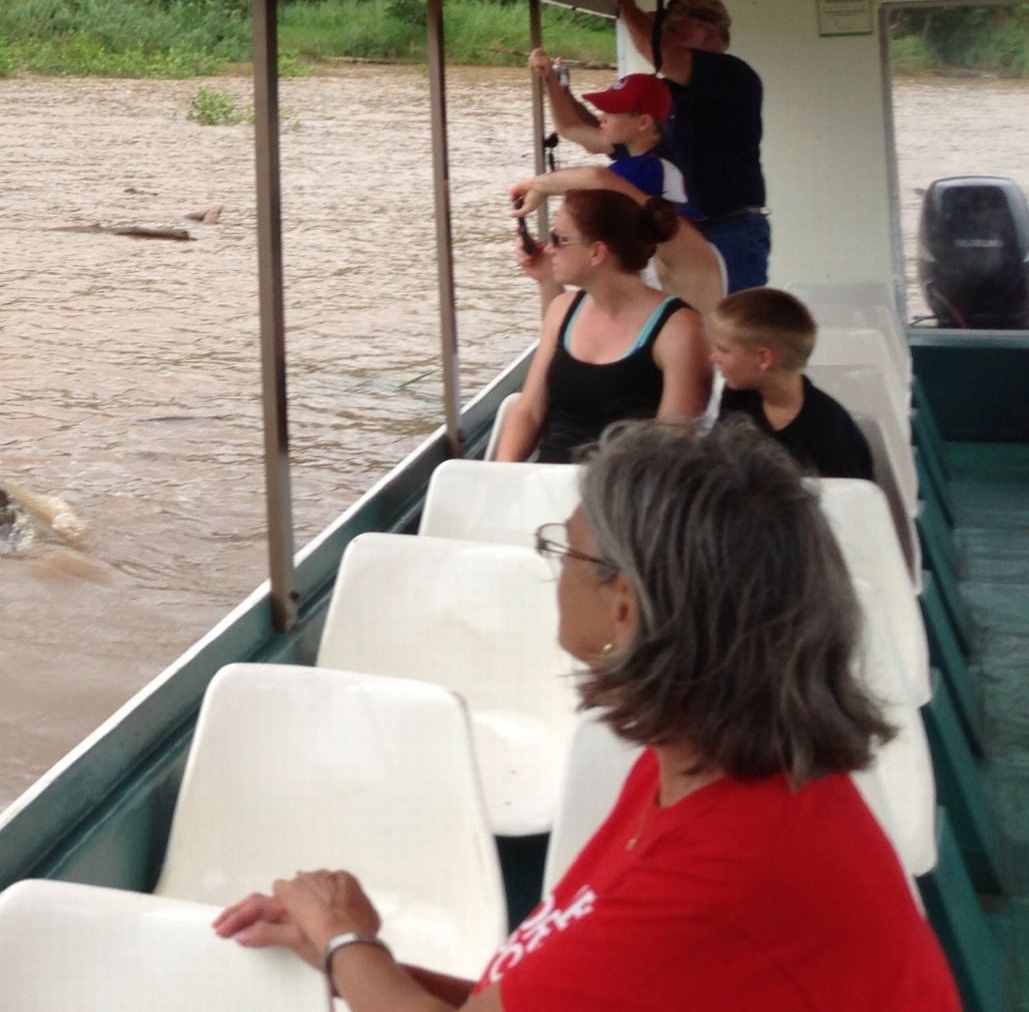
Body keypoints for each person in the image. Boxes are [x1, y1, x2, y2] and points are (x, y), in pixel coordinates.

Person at [212, 419, 960, 1011]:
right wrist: (343, 958)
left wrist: (348, 940)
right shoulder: (690, 771)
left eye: (561, 553)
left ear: (624, 606)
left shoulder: (727, 867)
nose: (553, 574)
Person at [532, 0, 768, 290]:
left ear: (707, 32)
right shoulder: (666, 95)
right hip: (678, 235)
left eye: (674, 29)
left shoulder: (732, 75)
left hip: (728, 230)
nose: (665, 35)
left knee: (732, 332)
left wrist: (625, 2)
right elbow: (583, 131)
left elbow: (658, 52)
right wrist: (554, 83)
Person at [492, 190, 708, 464]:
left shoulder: (679, 329)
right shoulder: (562, 311)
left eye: (560, 238)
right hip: (546, 482)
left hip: (621, 491)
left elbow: (673, 444)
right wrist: (502, 475)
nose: (548, 248)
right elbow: (529, 410)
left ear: (597, 251)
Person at [510, 69, 726, 313]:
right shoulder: (639, 154)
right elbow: (570, 127)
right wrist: (550, 79)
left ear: (643, 122)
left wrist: (539, 186)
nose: (601, 117)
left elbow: (598, 179)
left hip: (677, 257)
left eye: (612, 111)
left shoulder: (651, 167)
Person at [710, 287, 876, 481]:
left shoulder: (829, 432)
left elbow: (843, 504)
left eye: (723, 350)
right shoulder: (738, 397)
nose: (713, 357)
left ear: (763, 358)